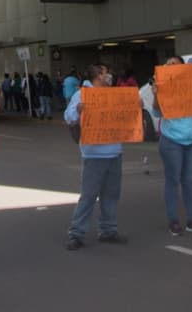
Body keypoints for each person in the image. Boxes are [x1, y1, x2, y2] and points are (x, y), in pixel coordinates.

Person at [64, 64, 129, 250]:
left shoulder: (113, 94)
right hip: (94, 154)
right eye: (106, 72)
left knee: (111, 195)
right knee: (89, 196)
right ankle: (76, 233)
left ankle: (108, 230)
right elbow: (68, 117)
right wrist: (78, 110)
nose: (109, 75)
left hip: (115, 151)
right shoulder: (82, 95)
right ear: (99, 76)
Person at [153, 56, 192, 235]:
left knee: (190, 181)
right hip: (171, 140)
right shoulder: (162, 86)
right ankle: (173, 221)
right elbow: (156, 111)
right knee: (173, 180)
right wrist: (156, 94)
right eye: (167, 64)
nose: (170, 67)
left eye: (174, 64)